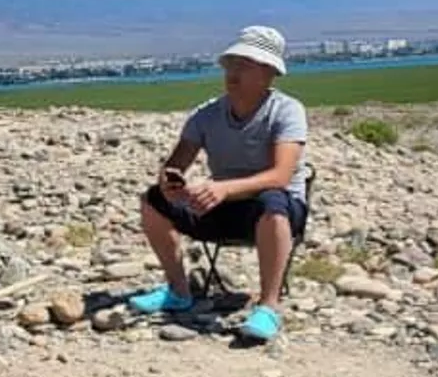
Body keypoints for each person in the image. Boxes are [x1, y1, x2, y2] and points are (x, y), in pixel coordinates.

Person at [127, 26, 309, 344]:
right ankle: (177, 291)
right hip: (222, 207)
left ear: (267, 73)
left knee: (273, 201)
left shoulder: (287, 111)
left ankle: (269, 306)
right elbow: (174, 165)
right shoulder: (206, 114)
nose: (233, 72)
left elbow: (280, 176)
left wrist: (224, 188)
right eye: (231, 63)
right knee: (153, 200)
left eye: (244, 64)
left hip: (272, 211)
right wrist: (172, 184)